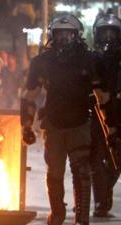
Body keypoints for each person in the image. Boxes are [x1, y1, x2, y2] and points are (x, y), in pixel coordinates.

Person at [21, 14, 110, 225]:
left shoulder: (90, 60)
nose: (63, 39)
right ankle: (57, 215)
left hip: (80, 123)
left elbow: (102, 97)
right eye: (60, 34)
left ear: (76, 35)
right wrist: (26, 126)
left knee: (81, 172)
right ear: (53, 35)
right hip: (53, 124)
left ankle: (82, 218)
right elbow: (30, 96)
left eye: (68, 34)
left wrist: (111, 128)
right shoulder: (42, 62)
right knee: (54, 174)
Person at [90, 13, 121, 218]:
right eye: (104, 34)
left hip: (119, 114)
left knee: (116, 161)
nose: (108, 38)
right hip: (98, 116)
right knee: (96, 160)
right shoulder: (91, 59)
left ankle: (104, 197)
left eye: (112, 34)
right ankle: (101, 201)